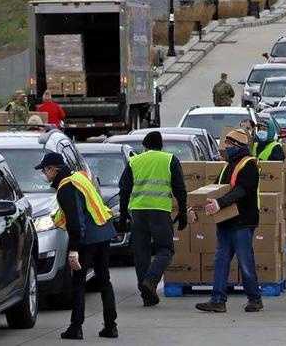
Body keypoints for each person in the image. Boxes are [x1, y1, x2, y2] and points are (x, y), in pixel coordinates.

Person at [35, 153, 118, 340]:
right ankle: (111, 326)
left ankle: (76, 327)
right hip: (103, 232)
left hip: (87, 239)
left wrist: (73, 250)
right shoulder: (79, 177)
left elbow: (75, 220)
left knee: (79, 283)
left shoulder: (66, 187)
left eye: (44, 170)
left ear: (53, 170)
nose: (44, 175)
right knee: (104, 280)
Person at [193, 129, 262, 313]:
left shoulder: (248, 165)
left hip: (242, 221)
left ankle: (254, 299)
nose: (226, 147)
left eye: (229, 144)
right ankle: (217, 300)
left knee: (245, 261)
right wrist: (198, 205)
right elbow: (216, 188)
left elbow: (241, 190)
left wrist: (219, 203)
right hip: (226, 221)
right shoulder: (227, 165)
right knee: (221, 260)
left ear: (238, 146)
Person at [118, 131, 188, 307]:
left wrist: (123, 214)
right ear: (161, 145)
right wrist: (183, 211)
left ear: (145, 145)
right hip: (160, 211)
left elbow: (124, 190)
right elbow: (180, 188)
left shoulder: (135, 161)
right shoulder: (169, 159)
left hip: (138, 212)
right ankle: (150, 281)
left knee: (141, 253)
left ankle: (146, 295)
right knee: (165, 250)